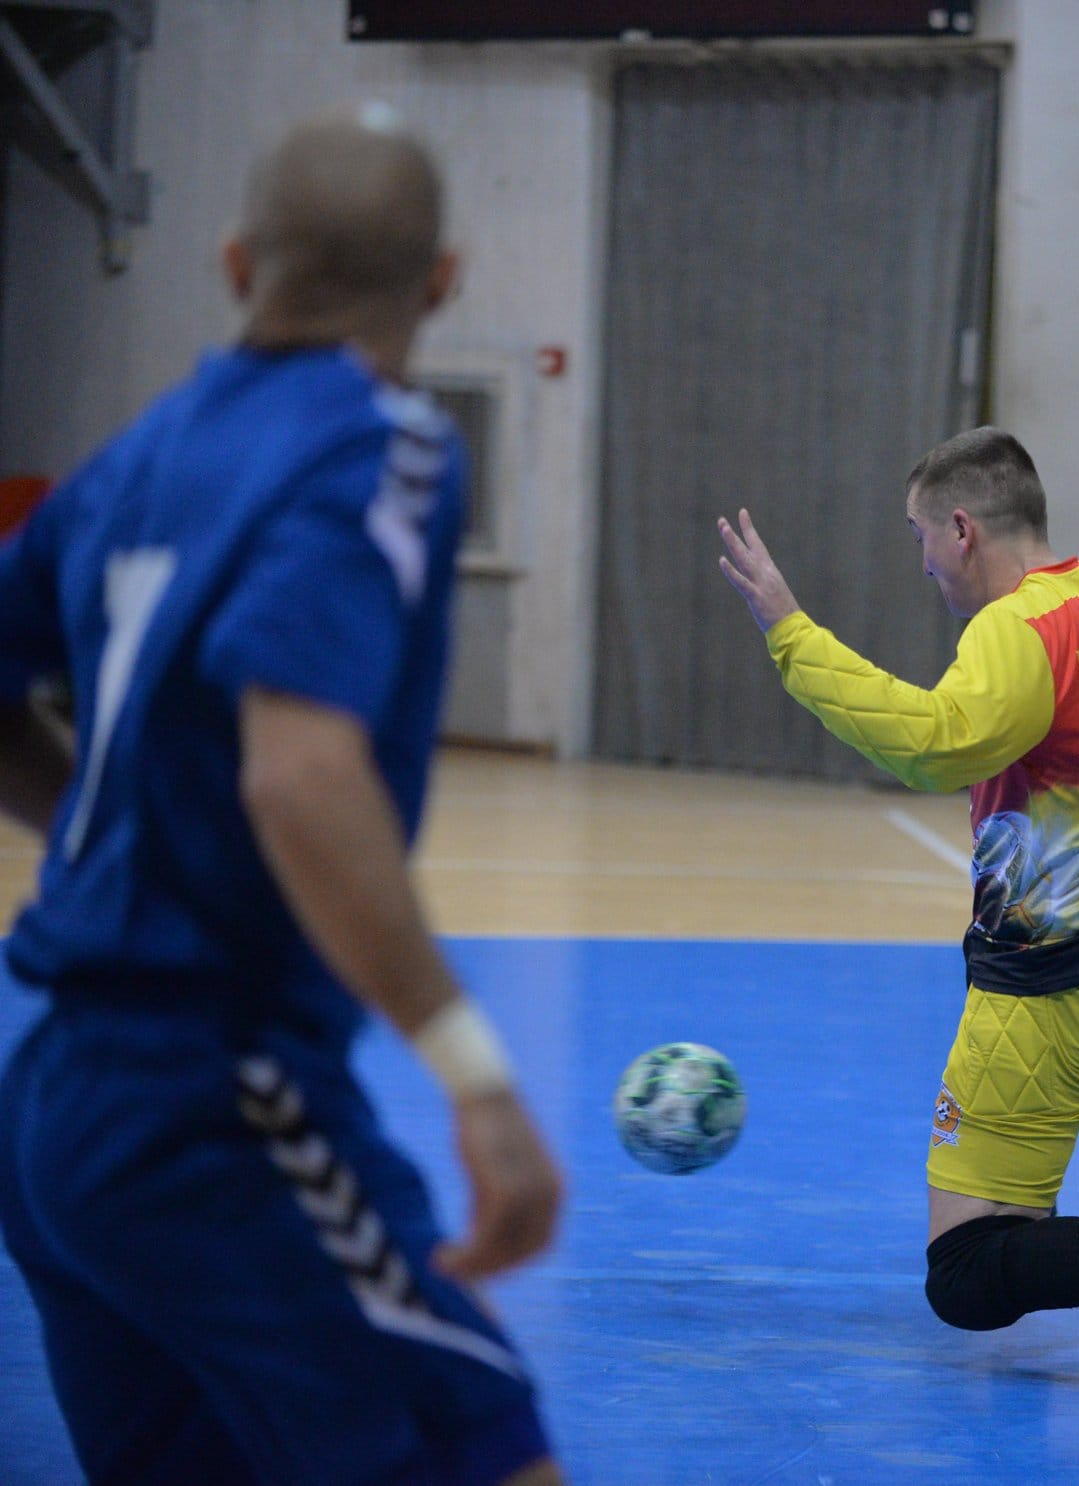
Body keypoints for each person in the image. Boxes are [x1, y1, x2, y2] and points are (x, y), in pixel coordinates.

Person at [0, 109, 564, 1485]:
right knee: (493, 1458)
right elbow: (300, 770)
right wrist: (476, 1082)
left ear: (234, 259)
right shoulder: (387, 446)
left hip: (51, 1107)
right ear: (441, 281)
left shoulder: (129, 461)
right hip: (219, 1100)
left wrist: (104, 822)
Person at [716, 427, 1079, 1411]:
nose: (923, 560)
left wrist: (787, 628)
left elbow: (930, 747)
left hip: (1058, 985)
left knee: (967, 1273)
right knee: (1017, 1218)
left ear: (960, 526)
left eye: (917, 537)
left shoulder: (1012, 634)